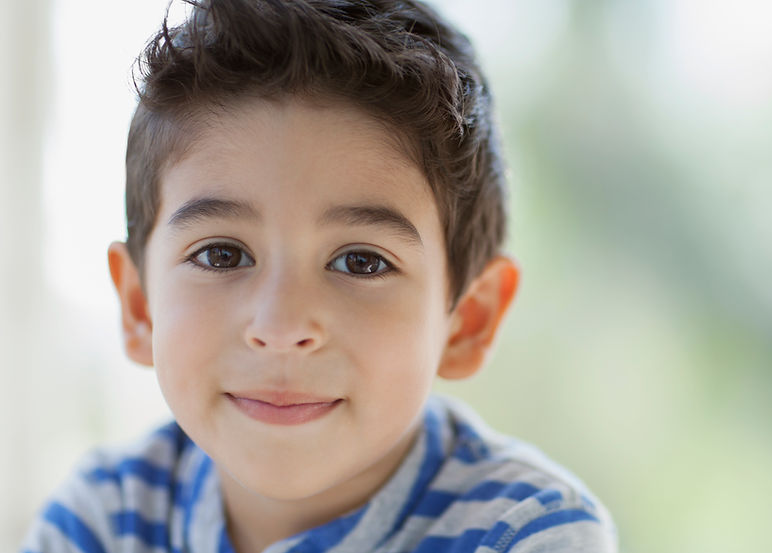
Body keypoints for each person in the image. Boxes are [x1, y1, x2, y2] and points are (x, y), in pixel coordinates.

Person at [20, 1, 617, 552]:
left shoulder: (528, 531)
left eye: (362, 261)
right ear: (139, 307)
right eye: (222, 255)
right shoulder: (102, 518)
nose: (280, 327)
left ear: (467, 321)